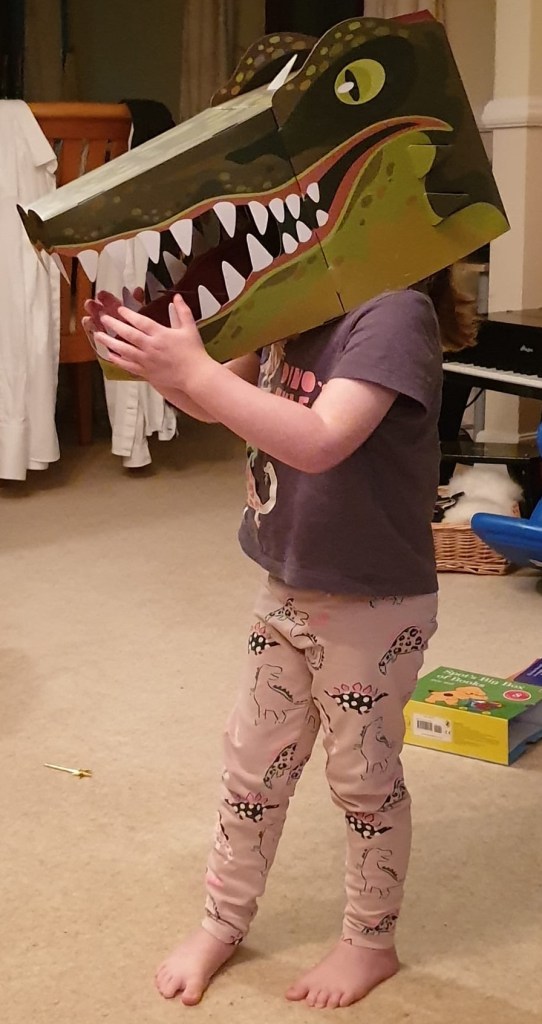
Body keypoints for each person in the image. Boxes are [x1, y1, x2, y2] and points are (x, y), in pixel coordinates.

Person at [85, 267, 473, 1010]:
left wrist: (195, 368)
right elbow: (213, 403)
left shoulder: (393, 311)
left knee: (363, 778)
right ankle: (222, 921)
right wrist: (160, 360)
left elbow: (322, 438)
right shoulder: (296, 298)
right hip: (285, 586)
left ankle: (369, 941)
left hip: (373, 601)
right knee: (249, 768)